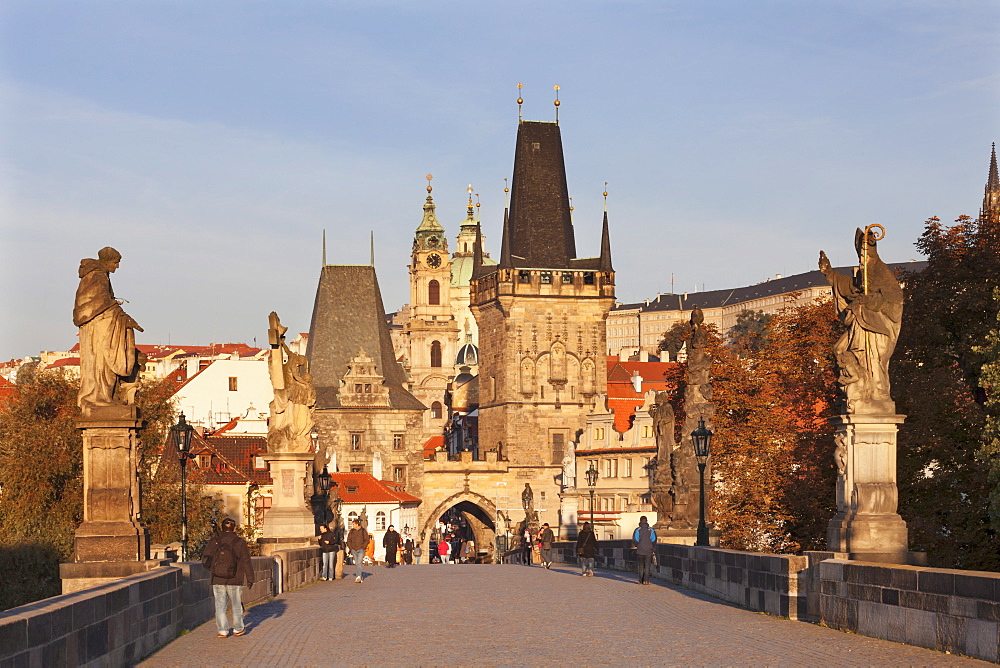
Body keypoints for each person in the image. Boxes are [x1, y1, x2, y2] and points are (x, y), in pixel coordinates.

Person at [73, 246, 144, 414]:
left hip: (102, 325)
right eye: (116, 262)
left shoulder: (98, 275)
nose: (117, 266)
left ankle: (106, 397)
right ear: (107, 261)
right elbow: (97, 303)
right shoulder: (97, 275)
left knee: (103, 364)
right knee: (100, 363)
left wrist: (120, 315)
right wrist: (120, 314)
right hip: (98, 329)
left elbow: (102, 301)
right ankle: (98, 398)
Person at [202, 517, 255, 638]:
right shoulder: (239, 542)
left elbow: (205, 559)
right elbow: (246, 561)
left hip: (217, 578)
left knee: (220, 605)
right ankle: (238, 629)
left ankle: (222, 630)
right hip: (235, 579)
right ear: (234, 528)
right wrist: (250, 578)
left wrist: (213, 570)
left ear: (222, 528)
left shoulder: (215, 541)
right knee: (236, 605)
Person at [632, 516, 657, 585]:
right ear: (647, 521)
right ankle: (646, 581)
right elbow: (653, 540)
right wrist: (652, 546)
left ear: (640, 521)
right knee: (647, 565)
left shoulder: (637, 530)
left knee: (641, 565)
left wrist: (638, 545)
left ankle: (640, 580)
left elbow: (635, 540)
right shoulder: (651, 530)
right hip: (649, 550)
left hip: (640, 550)